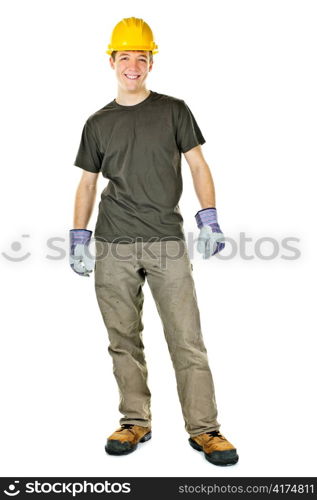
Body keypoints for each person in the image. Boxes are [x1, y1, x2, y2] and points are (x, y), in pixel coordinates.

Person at [70, 16, 238, 467]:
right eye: (125, 57)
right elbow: (87, 184)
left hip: (166, 241)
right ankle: (134, 421)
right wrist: (78, 237)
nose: (133, 65)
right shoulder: (97, 123)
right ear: (112, 61)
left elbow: (198, 165)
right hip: (113, 243)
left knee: (186, 339)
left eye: (141, 57)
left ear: (150, 63)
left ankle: (206, 430)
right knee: (123, 339)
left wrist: (210, 220)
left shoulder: (174, 110)